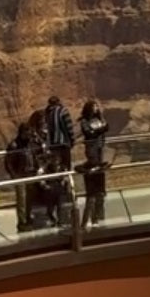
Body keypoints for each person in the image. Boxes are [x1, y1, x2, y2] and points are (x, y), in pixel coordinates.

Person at [79, 99, 109, 227]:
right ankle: (87, 221)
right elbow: (89, 133)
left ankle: (98, 217)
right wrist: (100, 130)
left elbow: (106, 126)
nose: (96, 108)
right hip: (91, 148)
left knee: (100, 172)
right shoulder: (84, 121)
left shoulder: (99, 118)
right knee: (94, 170)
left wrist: (101, 130)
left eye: (97, 106)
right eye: (94, 106)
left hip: (99, 147)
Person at [4, 122, 38, 232]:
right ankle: (22, 222)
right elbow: (8, 162)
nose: (29, 135)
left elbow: (35, 156)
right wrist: (14, 176)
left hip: (30, 174)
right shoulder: (14, 145)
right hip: (20, 175)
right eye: (27, 133)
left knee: (30, 198)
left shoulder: (30, 143)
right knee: (22, 200)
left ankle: (29, 218)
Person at [43, 95, 76, 171]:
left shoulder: (47, 113)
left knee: (56, 165)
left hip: (52, 145)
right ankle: (66, 180)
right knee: (66, 165)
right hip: (63, 143)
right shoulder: (63, 111)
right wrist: (72, 140)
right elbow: (69, 127)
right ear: (58, 102)